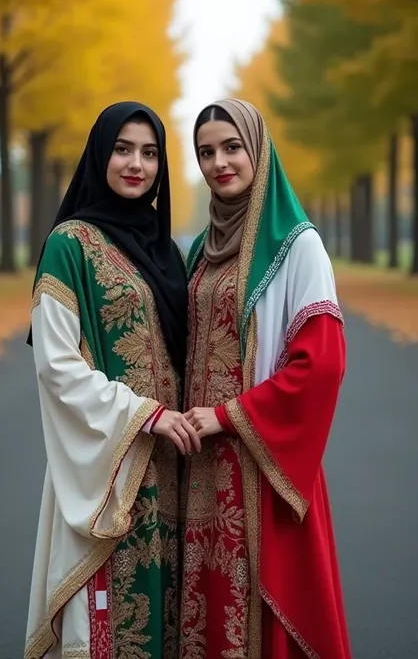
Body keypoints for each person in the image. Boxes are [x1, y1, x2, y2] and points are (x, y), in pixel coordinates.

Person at [24, 101, 200, 659]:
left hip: (174, 465)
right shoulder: (69, 245)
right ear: (100, 153)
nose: (136, 164)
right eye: (123, 149)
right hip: (110, 464)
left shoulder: (168, 252)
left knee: (170, 617)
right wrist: (143, 414)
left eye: (150, 153)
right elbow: (56, 364)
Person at [180, 98, 351, 659]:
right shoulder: (200, 252)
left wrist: (229, 415)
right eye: (206, 152)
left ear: (259, 149)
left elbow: (321, 364)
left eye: (232, 147)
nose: (218, 162)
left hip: (262, 465)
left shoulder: (298, 247)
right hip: (200, 465)